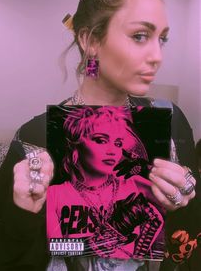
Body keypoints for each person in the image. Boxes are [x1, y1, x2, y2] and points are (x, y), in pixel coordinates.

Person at [0, 0, 201, 270]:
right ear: (90, 41)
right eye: (140, 35)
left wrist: (184, 201)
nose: (157, 56)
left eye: (162, 39)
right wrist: (24, 213)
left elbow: (186, 244)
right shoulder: (36, 136)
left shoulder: (170, 122)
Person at [47, 106, 164, 263]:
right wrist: (103, 240)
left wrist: (148, 169)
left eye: (117, 143)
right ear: (76, 144)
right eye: (101, 140)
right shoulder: (54, 194)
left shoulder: (134, 184)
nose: (113, 151)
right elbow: (55, 248)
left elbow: (177, 204)